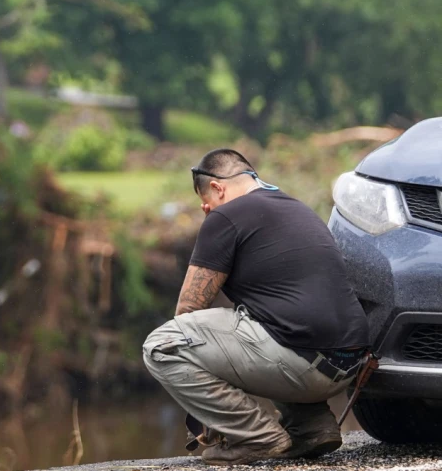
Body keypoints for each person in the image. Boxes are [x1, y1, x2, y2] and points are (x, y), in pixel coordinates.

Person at [142, 149, 370, 466]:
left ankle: (256, 436)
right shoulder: (297, 209)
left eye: (206, 200)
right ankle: (311, 427)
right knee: (266, 317)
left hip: (302, 365)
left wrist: (208, 411)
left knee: (162, 344)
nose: (207, 209)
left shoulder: (225, 216)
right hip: (349, 364)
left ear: (218, 188)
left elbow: (188, 311)